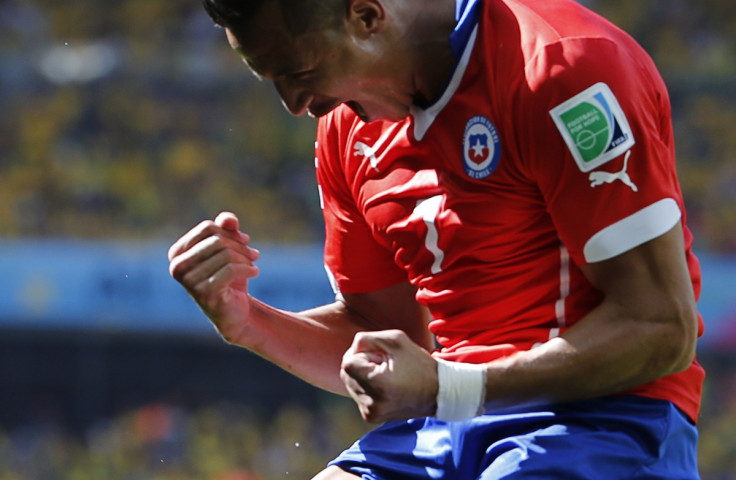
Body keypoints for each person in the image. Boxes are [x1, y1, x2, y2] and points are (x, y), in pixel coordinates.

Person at [168, 0, 705, 478]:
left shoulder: (566, 71)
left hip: (599, 418)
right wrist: (250, 322)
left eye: (300, 71)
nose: (295, 104)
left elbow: (661, 326)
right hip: (442, 424)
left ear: (367, 17)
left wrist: (450, 390)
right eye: (273, 80)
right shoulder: (347, 130)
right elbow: (385, 343)